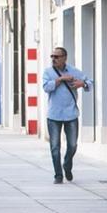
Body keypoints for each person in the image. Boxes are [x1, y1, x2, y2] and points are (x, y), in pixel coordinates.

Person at [42, 46, 92, 184]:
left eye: (56, 57)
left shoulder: (73, 71)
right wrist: (61, 79)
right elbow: (46, 87)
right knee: (55, 146)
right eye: (52, 56)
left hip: (71, 114)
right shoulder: (48, 72)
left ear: (64, 58)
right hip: (54, 115)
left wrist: (82, 83)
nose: (53, 59)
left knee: (72, 145)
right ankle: (58, 175)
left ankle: (67, 165)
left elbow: (90, 82)